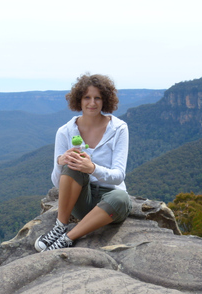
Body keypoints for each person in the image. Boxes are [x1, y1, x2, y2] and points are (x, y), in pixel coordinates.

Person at [34, 73, 132, 252]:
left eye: (97, 98)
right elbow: (57, 182)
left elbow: (119, 176)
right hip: (81, 200)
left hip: (110, 201)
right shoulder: (65, 132)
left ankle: (68, 238)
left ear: (105, 101)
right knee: (72, 164)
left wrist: (92, 169)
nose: (92, 103)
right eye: (87, 97)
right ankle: (61, 226)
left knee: (122, 198)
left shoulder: (118, 129)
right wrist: (60, 162)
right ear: (79, 99)